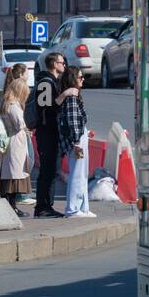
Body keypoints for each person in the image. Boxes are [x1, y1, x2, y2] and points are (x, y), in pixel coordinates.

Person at [31, 51, 66, 218]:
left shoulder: (52, 82)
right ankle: (43, 207)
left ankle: (46, 206)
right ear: (54, 64)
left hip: (51, 133)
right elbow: (46, 108)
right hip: (46, 133)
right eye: (62, 62)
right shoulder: (45, 83)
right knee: (47, 171)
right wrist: (64, 95)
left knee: (51, 171)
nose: (64, 65)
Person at [57, 67, 95, 218]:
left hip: (79, 137)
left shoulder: (72, 95)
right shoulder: (72, 97)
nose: (83, 79)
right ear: (72, 79)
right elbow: (73, 121)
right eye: (80, 77)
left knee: (82, 173)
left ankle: (83, 207)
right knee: (78, 174)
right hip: (77, 140)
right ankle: (73, 209)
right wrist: (77, 141)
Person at [0, 78, 32, 213]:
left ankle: (10, 206)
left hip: (9, 141)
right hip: (16, 142)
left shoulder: (4, 104)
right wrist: (27, 127)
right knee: (15, 174)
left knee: (8, 173)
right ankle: (12, 207)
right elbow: (20, 124)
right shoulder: (14, 106)